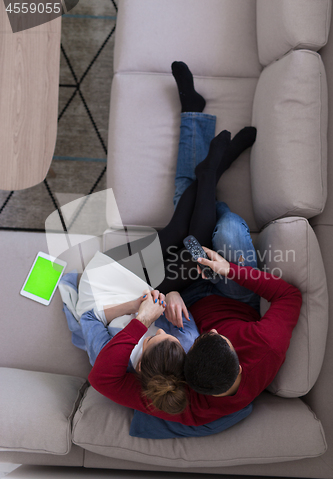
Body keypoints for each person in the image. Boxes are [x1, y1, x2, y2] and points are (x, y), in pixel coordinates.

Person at [88, 62, 303, 423]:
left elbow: (102, 378)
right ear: (236, 359)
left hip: (184, 292)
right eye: (215, 337)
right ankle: (212, 171)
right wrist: (227, 269)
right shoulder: (265, 348)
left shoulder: (179, 395)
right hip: (233, 293)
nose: (211, 329)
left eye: (201, 338)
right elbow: (289, 295)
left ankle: (207, 156)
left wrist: (153, 312)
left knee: (187, 236)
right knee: (228, 230)